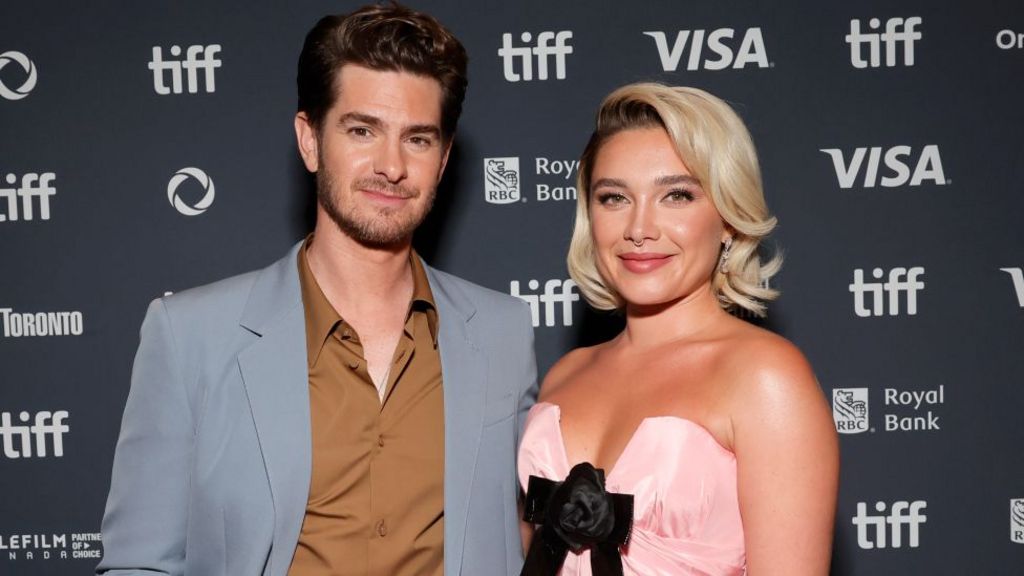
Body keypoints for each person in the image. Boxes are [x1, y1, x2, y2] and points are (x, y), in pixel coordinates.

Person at [97, 4, 537, 576]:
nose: (392, 166)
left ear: (444, 157)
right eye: (362, 130)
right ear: (310, 140)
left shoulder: (503, 332)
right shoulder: (190, 336)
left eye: (418, 139)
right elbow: (140, 562)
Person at [517, 84, 839, 575]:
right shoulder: (566, 374)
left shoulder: (765, 378)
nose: (639, 228)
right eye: (614, 198)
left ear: (728, 221)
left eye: (676, 195)